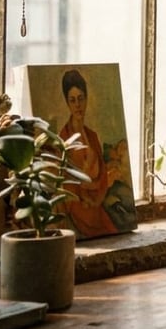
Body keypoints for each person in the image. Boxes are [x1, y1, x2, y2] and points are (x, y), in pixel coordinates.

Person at [58, 68, 120, 237]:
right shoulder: (63, 137)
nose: (77, 105)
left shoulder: (92, 136)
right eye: (72, 100)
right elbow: (65, 182)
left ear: (86, 99)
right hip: (78, 207)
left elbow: (102, 178)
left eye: (80, 98)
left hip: (96, 203)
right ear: (67, 103)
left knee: (114, 229)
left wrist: (95, 196)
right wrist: (84, 196)